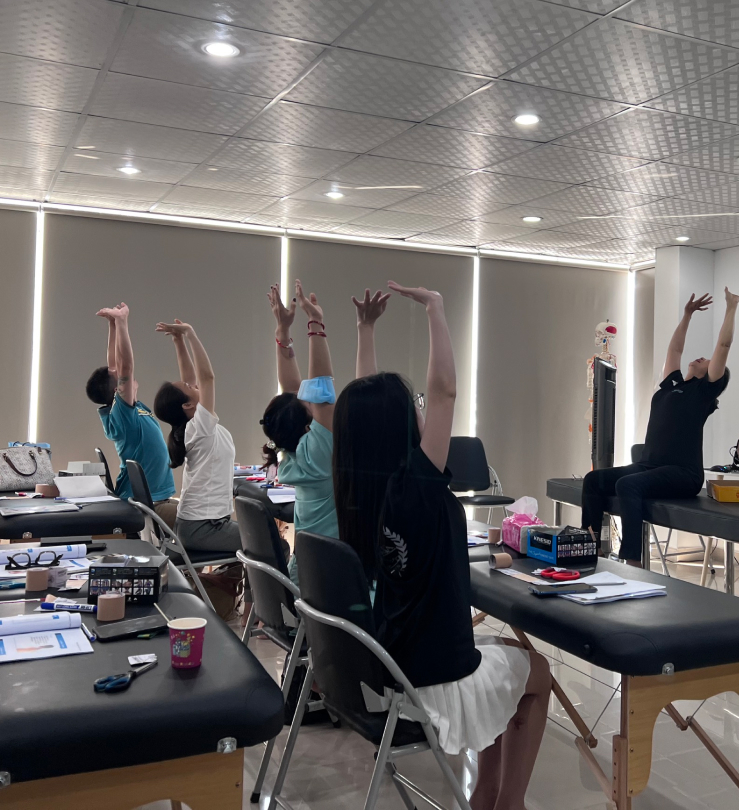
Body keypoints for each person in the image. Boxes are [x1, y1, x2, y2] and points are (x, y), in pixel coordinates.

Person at [334, 282, 551, 810]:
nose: (423, 409)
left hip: (395, 667)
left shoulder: (362, 493)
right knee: (538, 673)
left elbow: (365, 407)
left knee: (503, 657)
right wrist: (435, 308)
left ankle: (485, 795)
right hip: (436, 678)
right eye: (414, 405)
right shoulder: (415, 487)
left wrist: (366, 331)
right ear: (400, 428)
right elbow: (446, 392)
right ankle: (510, 802)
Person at [582, 287, 739, 567]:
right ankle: (589, 547)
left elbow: (724, 346)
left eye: (707, 361)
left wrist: (731, 307)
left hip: (683, 474)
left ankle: (632, 560)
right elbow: (675, 349)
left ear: (713, 375)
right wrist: (687, 314)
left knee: (627, 485)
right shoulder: (672, 384)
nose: (701, 358)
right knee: (593, 480)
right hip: (650, 466)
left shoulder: (703, 393)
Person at [260, 281, 391, 581]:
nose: (306, 396)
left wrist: (283, 331)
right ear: (308, 424)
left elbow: (292, 390)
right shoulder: (320, 453)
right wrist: (315, 324)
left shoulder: (292, 452)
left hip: (307, 577)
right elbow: (320, 389)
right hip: (334, 584)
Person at [153, 320, 240, 553]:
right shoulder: (200, 427)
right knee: (274, 544)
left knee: (257, 540)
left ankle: (226, 575)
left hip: (200, 523)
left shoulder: (191, 426)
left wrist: (179, 341)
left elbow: (191, 378)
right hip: (204, 527)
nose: (195, 385)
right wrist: (191, 333)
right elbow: (207, 377)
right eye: (191, 388)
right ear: (188, 404)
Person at [86, 303, 175, 515]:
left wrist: (113, 325)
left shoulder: (129, 409)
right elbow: (125, 366)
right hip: (144, 504)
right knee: (194, 520)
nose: (124, 374)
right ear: (117, 389)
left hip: (152, 498)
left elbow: (115, 365)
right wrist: (123, 322)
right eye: (120, 379)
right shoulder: (122, 415)